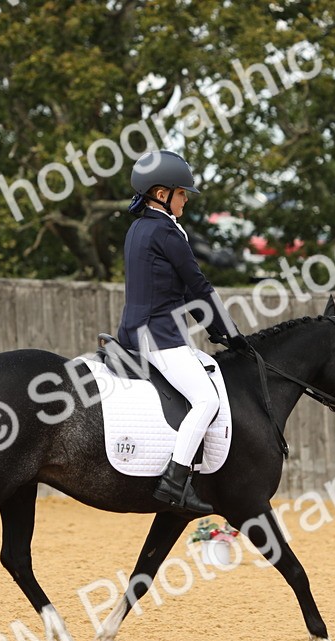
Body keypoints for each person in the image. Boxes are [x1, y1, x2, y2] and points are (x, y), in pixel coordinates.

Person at [117, 150, 247, 515]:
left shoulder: (138, 228)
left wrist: (216, 330)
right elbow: (199, 286)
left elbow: (183, 290)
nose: (186, 199)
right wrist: (232, 333)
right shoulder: (166, 231)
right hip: (159, 336)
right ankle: (174, 481)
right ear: (161, 194)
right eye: (182, 192)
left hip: (134, 331)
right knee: (207, 400)